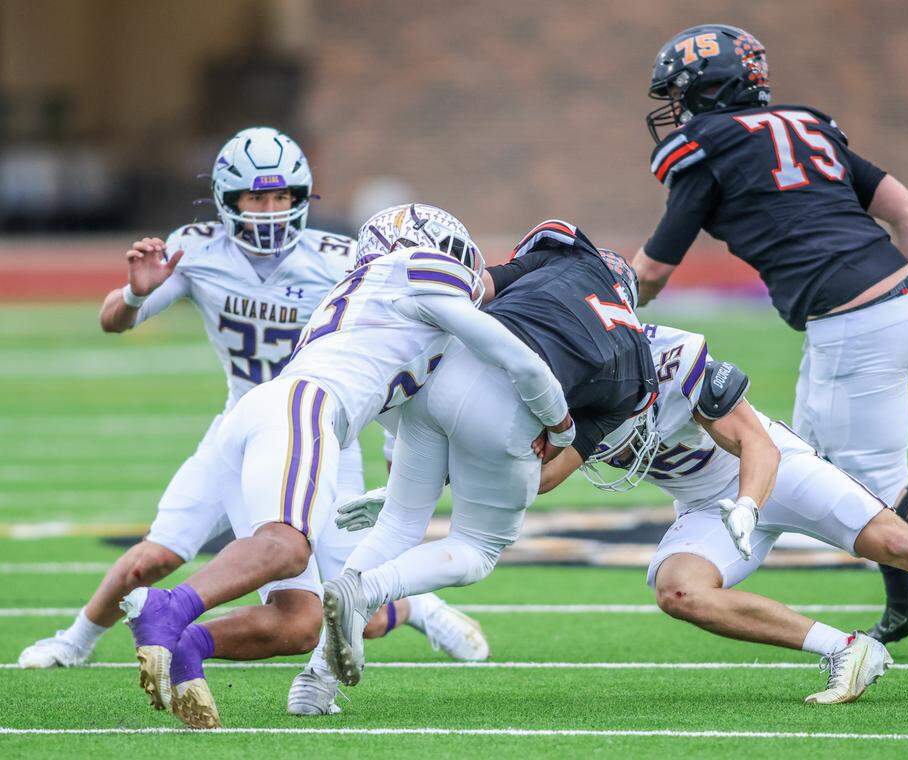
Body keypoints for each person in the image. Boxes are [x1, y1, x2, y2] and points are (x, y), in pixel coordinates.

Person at [631, 24, 908, 662]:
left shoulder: (709, 148)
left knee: (874, 495)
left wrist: (596, 307)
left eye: (679, 92)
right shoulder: (805, 126)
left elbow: (651, 272)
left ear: (709, 87)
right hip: (887, 301)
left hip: (852, 319)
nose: (674, 109)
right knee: (825, 468)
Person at [17, 128, 485, 683]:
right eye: (255, 198)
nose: (268, 211)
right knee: (155, 558)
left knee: (347, 600)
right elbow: (114, 320)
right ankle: (74, 640)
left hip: (324, 431)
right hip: (241, 425)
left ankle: (415, 610)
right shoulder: (197, 249)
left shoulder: (340, 259)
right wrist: (138, 293)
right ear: (225, 200)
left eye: (281, 197)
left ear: (301, 198)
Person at [119, 203, 570, 729]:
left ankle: (190, 648)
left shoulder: (381, 303)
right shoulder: (418, 269)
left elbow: (406, 424)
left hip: (268, 417)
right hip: (304, 408)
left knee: (298, 623)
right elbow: (511, 351)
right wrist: (561, 425)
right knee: (286, 547)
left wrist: (399, 489)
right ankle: (168, 608)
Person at [544, 323, 908, 703]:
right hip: (702, 502)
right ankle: (847, 650)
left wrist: (748, 504)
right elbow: (546, 477)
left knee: (901, 544)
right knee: (679, 591)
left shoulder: (670, 356)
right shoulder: (557, 389)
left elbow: (757, 446)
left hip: (773, 469)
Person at [320, 221, 658, 688]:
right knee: (477, 548)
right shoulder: (640, 369)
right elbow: (547, 475)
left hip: (443, 371)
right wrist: (548, 432)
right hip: (511, 401)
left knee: (398, 523)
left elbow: (477, 286)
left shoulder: (568, 257)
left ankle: (315, 682)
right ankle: (367, 590)